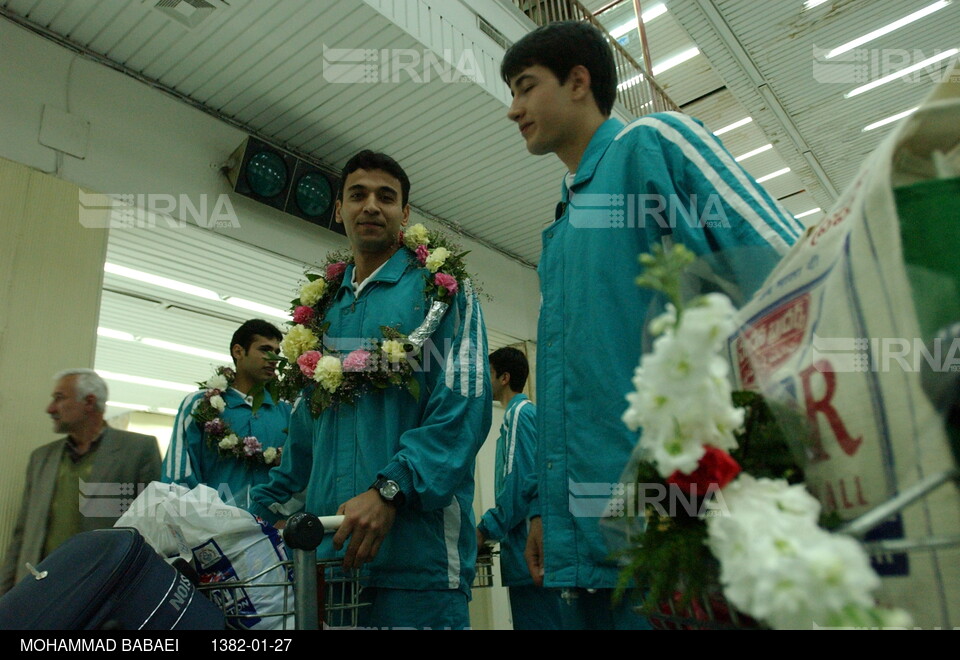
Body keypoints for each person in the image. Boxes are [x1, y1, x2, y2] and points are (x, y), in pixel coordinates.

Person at [501, 21, 803, 629]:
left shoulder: (652, 143)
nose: (513, 109)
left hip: (684, 539)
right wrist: (547, 515)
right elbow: (579, 392)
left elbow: (789, 273)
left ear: (580, 81)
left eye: (526, 87)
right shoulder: (562, 229)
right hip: (592, 553)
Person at [248, 150, 491, 630]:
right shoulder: (322, 310)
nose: (371, 206)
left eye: (387, 196)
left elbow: (463, 409)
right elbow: (303, 437)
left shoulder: (441, 293)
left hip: (415, 566)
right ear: (338, 209)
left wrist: (389, 490)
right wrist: (252, 515)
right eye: (357, 195)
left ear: (405, 212)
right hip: (327, 562)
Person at [0, 369, 161, 595]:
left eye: (59, 398)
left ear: (89, 402)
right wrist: (6, 591)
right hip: (37, 588)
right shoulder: (41, 458)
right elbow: (23, 532)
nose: (50, 408)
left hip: (100, 590)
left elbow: (152, 529)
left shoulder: (137, 451)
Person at [162, 319, 292, 508]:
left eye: (277, 352)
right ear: (238, 351)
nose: (274, 359)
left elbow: (299, 473)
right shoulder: (200, 405)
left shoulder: (287, 412)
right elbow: (178, 476)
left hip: (274, 530)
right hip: (213, 530)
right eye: (265, 350)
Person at [477, 347, 562, 630]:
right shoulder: (529, 414)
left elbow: (517, 485)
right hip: (534, 554)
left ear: (504, 377)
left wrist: (484, 529)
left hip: (528, 552)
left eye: (488, 373)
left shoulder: (519, 414)